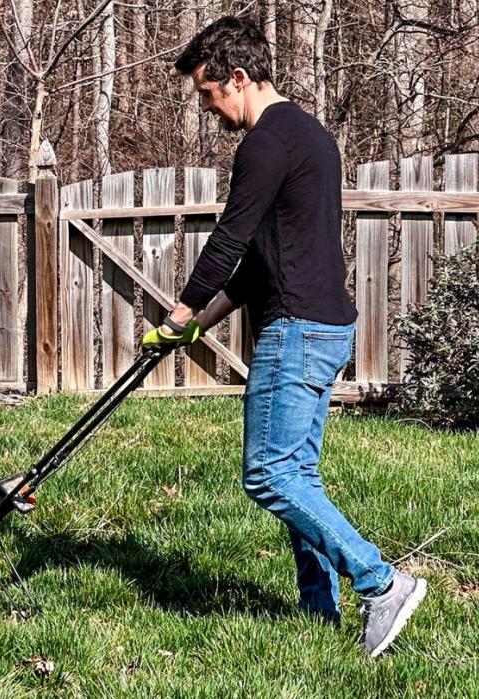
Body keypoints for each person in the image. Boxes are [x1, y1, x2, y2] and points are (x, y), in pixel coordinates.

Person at [141, 15, 427, 658]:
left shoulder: (266, 144)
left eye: (208, 94)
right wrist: (199, 327)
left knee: (269, 474)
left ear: (237, 78)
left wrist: (182, 309)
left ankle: (382, 584)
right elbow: (264, 260)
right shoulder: (311, 137)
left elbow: (229, 239)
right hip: (324, 325)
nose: (207, 108)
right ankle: (318, 609)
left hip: (298, 330)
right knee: (297, 472)